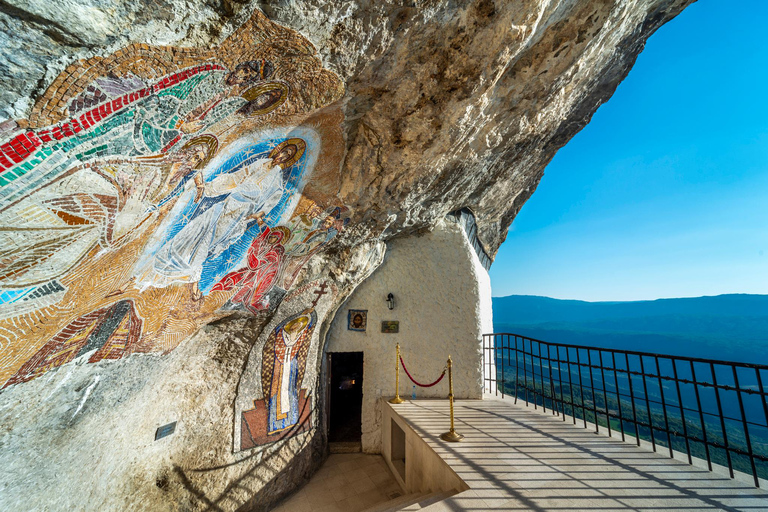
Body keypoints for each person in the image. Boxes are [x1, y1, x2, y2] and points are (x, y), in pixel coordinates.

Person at [135, 138, 306, 299]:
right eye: (283, 152)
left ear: (287, 160)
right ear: (278, 151)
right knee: (199, 228)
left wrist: (254, 216)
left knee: (212, 241)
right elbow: (235, 178)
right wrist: (207, 188)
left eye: (287, 155)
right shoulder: (260, 164)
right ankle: (179, 262)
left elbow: (268, 205)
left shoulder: (277, 183)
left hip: (242, 213)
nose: (282, 156)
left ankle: (192, 274)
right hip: (229, 203)